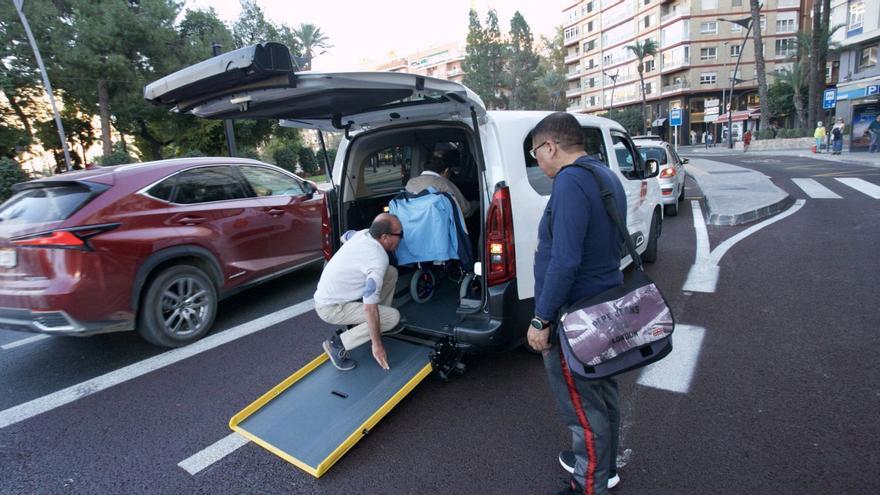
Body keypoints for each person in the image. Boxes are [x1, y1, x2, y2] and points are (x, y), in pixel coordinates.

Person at [526, 112, 625, 495]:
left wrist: (541, 318)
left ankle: (588, 484)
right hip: (606, 303)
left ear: (550, 146)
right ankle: (606, 466)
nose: (538, 160)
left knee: (582, 409)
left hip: (575, 314)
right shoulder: (604, 175)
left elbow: (564, 260)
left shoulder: (568, 182)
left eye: (536, 152)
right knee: (604, 392)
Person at [314, 213, 403, 371]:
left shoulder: (364, 234)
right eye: (400, 235)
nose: (402, 238)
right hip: (332, 308)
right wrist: (377, 345)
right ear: (385, 237)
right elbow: (370, 308)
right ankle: (337, 344)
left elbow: (345, 236)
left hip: (331, 297)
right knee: (393, 317)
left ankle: (380, 323)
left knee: (391, 273)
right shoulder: (378, 259)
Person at [406, 150, 478, 218]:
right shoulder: (444, 184)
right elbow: (465, 210)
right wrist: (478, 204)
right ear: (446, 171)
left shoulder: (411, 183)